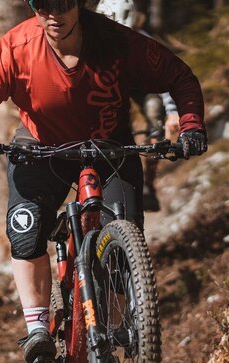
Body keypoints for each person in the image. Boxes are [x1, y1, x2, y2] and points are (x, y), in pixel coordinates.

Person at [0, 0, 207, 363]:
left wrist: (191, 124)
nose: (53, 14)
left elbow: (179, 76)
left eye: (63, 3)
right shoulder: (15, 48)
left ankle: (118, 328)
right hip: (41, 149)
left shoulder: (116, 40)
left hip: (110, 148)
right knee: (26, 231)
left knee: (125, 241)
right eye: (42, 4)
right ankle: (37, 329)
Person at [95, 0, 181, 212]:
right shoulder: (92, 41)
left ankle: (148, 184)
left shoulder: (146, 43)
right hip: (110, 86)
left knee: (154, 109)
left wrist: (172, 112)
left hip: (142, 86)